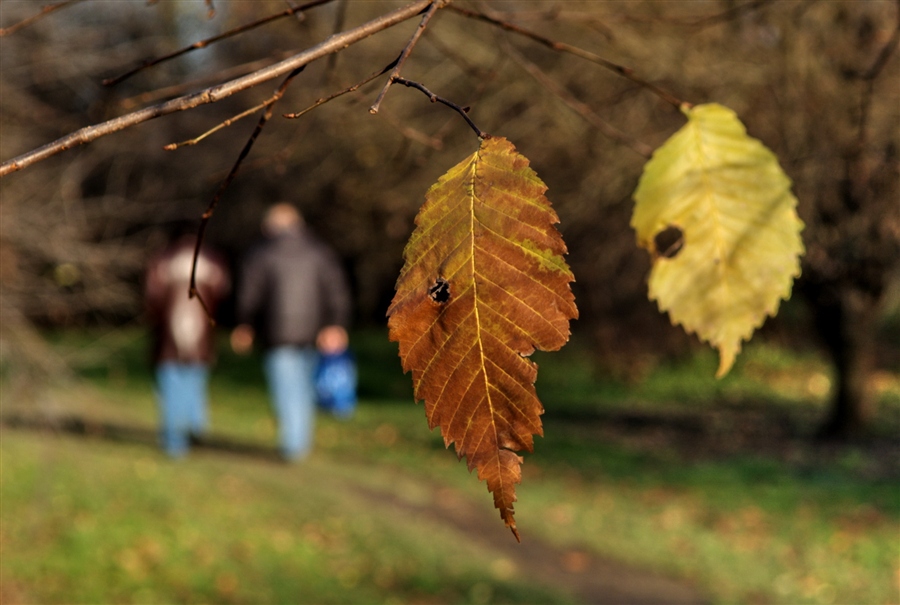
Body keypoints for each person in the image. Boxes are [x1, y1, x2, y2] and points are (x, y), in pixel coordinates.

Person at [231, 203, 351, 460]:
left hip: (277, 335)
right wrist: (335, 324)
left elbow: (249, 296)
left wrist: (245, 324)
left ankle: (293, 444)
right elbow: (337, 291)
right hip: (314, 335)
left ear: (269, 227)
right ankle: (299, 442)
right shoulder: (320, 252)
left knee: (286, 389)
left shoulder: (260, 254)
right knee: (305, 389)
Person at [144, 232, 230, 457]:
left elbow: (152, 297)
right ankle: (193, 427)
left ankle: (176, 441)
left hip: (168, 339)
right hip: (202, 339)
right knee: (193, 382)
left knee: (172, 387)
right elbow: (222, 293)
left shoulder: (163, 260)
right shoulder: (213, 261)